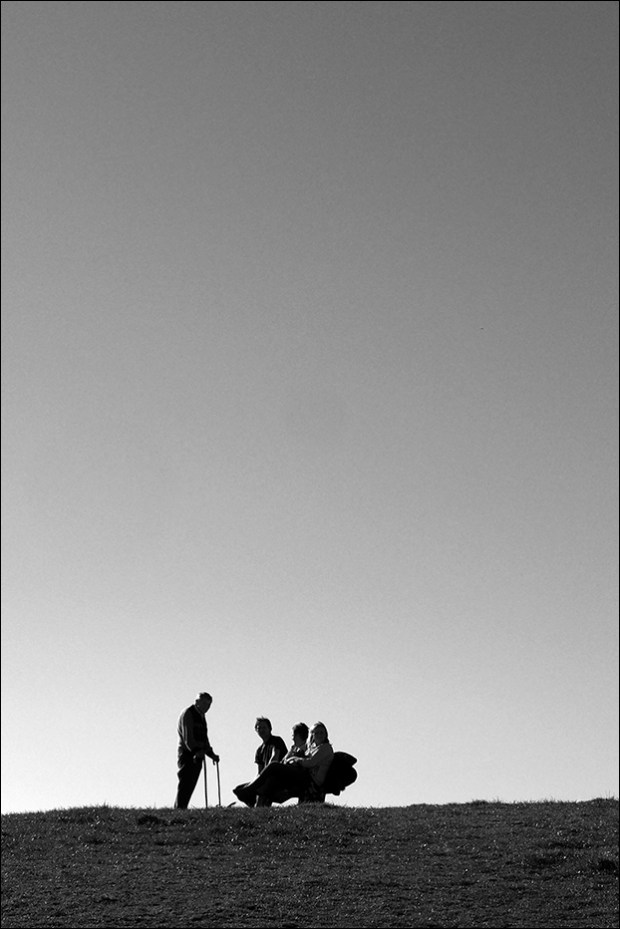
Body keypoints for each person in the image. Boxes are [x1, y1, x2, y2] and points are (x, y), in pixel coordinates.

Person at [233, 721, 333, 807]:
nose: (320, 734)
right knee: (271, 775)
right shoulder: (312, 748)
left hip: (310, 779)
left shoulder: (325, 748)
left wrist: (295, 759)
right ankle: (252, 796)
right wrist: (295, 758)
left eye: (322, 732)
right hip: (304, 776)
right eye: (317, 733)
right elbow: (289, 760)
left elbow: (310, 762)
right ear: (312, 735)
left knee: (274, 766)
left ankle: (251, 790)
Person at [174, 692, 220, 810]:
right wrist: (195, 751)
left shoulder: (201, 716)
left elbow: (204, 738)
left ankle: (181, 809)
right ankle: (179, 809)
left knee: (190, 784)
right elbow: (187, 737)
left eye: (209, 705)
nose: (207, 707)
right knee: (185, 784)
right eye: (204, 703)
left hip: (198, 754)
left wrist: (211, 754)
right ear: (197, 702)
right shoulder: (188, 713)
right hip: (187, 754)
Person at [253, 717, 287, 807]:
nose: (261, 730)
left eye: (264, 727)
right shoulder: (259, 750)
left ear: (270, 728)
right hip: (266, 779)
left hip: (280, 776)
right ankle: (258, 811)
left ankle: (259, 809)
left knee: (263, 787)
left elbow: (274, 758)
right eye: (259, 728)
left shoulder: (276, 741)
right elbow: (259, 771)